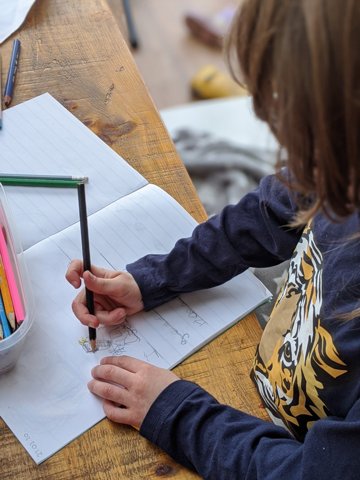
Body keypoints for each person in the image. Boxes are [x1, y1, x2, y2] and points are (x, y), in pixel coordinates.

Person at [65, 0, 360, 478]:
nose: (299, 163)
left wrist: (177, 413)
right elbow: (267, 215)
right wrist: (153, 279)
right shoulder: (337, 165)